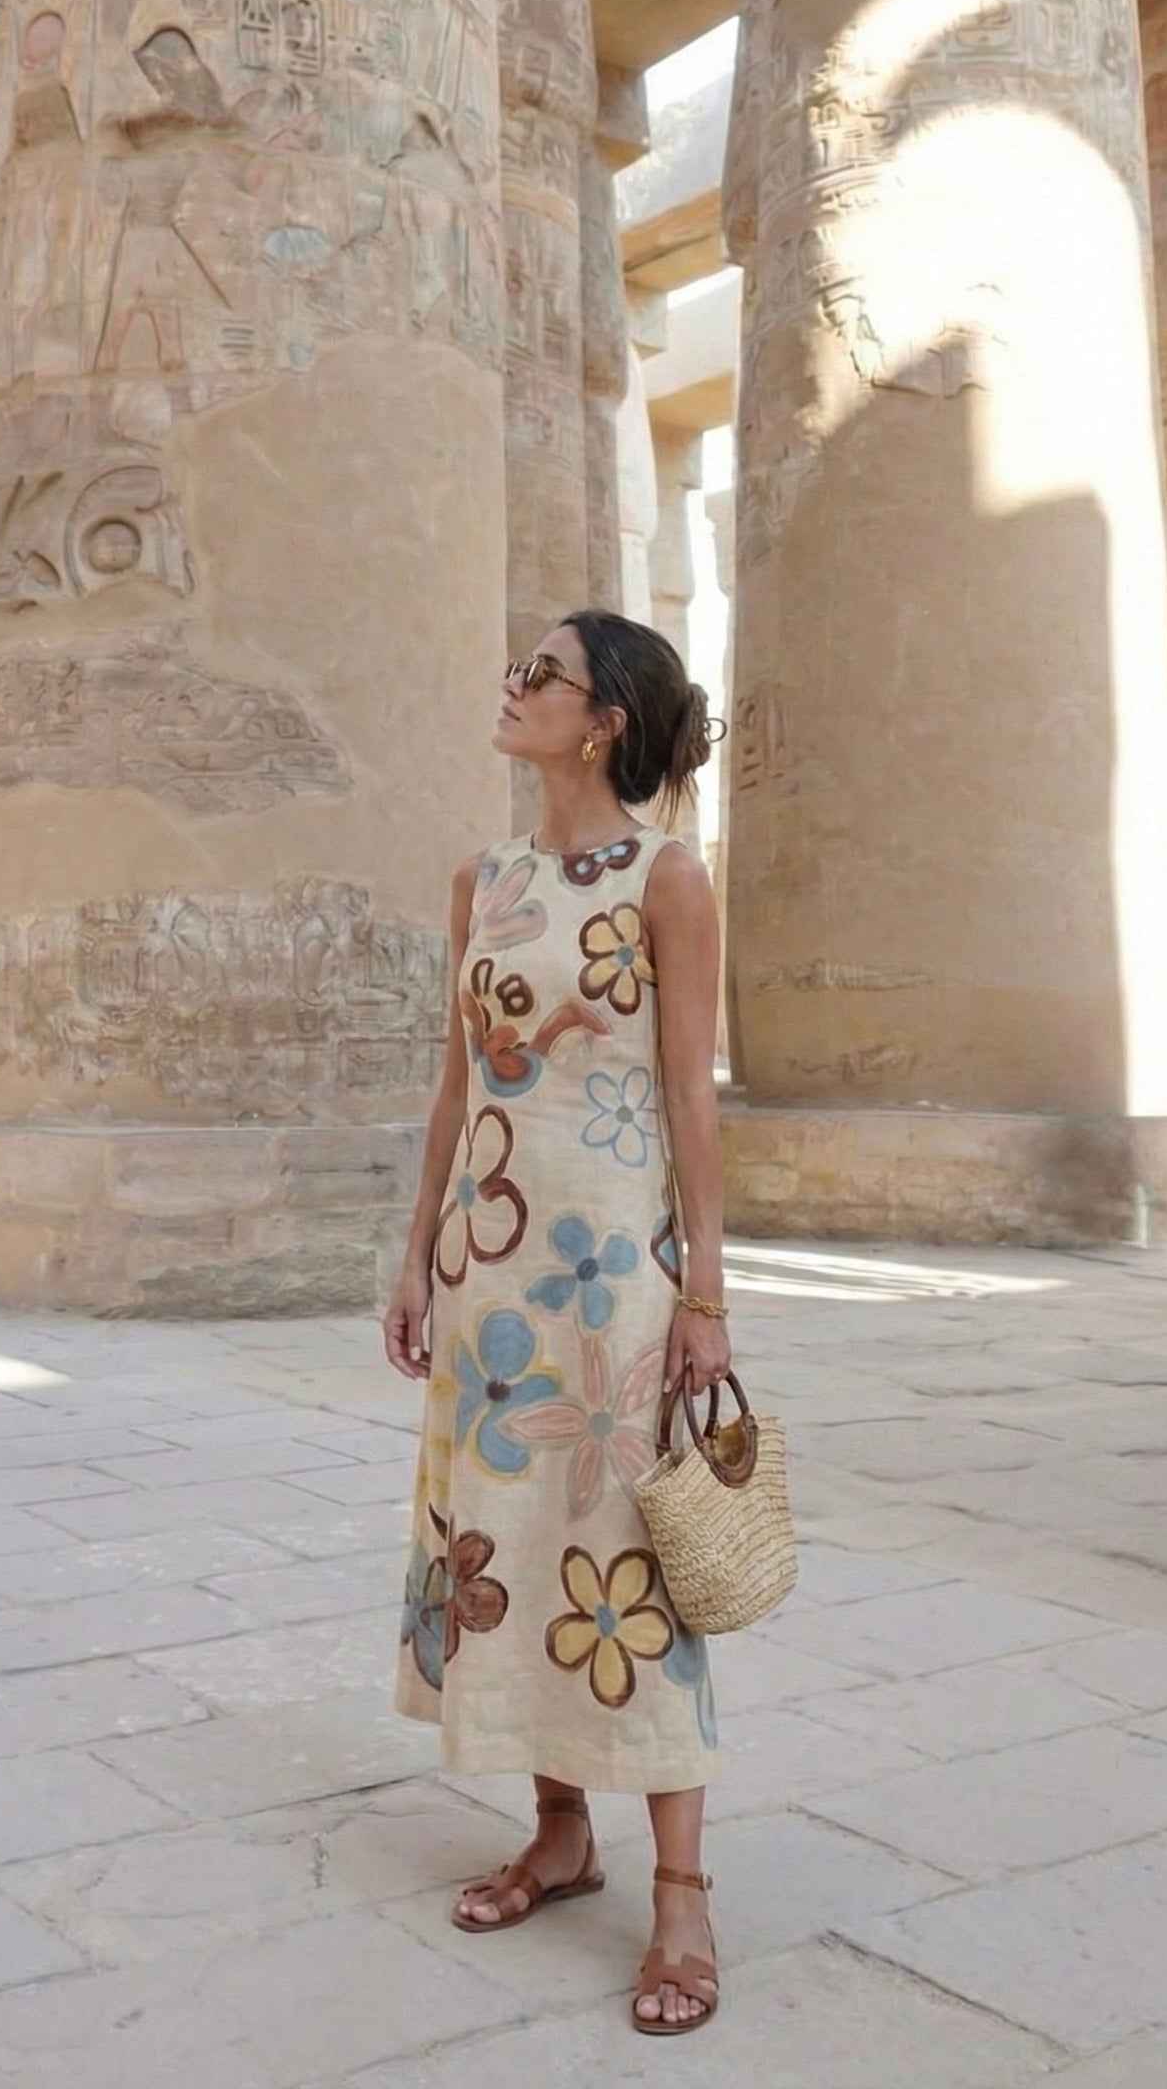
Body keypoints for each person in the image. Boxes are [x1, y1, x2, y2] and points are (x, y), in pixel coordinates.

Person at [384, 610, 731, 2037]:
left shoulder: (669, 877)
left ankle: (684, 1897)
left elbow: (692, 1096)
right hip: (490, 1268)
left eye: (544, 674)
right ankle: (560, 1831)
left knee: (630, 1566)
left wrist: (706, 1294)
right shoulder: (485, 879)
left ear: (604, 723)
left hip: (616, 1276)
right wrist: (417, 1255)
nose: (513, 685)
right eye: (516, 665)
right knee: (517, 1545)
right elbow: (457, 1086)